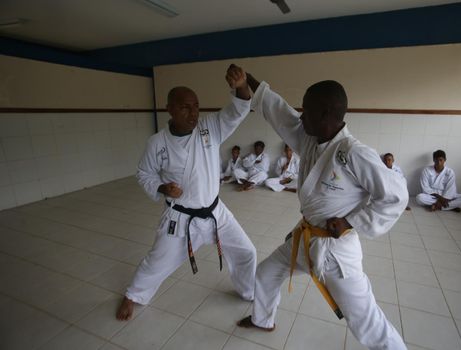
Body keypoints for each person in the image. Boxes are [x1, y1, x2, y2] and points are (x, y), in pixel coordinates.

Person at [237, 73, 408, 350]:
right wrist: (248, 80)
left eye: (307, 110)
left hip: (336, 251)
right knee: (266, 273)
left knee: (365, 320)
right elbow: (281, 113)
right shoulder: (309, 138)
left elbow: (396, 196)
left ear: (326, 113)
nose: (301, 116)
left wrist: (351, 221)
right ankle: (262, 319)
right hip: (306, 237)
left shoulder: (353, 152)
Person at [116, 65, 257, 321]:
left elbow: (237, 110)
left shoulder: (209, 128)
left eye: (196, 106)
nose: (193, 114)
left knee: (247, 251)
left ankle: (248, 291)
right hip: (179, 218)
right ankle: (133, 295)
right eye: (185, 107)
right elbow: (144, 173)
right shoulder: (156, 143)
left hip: (215, 212)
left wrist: (241, 86)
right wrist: (162, 187)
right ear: (169, 109)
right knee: (157, 260)